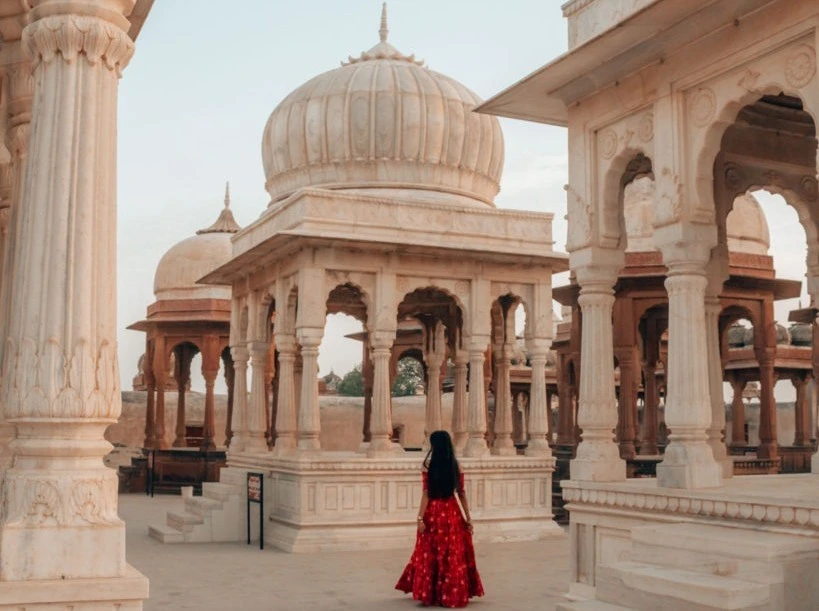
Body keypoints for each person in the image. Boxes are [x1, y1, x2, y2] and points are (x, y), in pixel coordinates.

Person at [395, 430, 484, 607]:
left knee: (430, 552)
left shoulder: (428, 465)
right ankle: (451, 592)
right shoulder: (455, 466)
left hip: (433, 513)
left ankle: (431, 592)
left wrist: (420, 518)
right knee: (451, 553)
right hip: (451, 512)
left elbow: (426, 493)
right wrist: (468, 518)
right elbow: (461, 493)